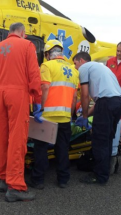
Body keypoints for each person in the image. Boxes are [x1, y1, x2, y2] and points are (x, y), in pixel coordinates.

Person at [0, 22, 42, 202]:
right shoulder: (27, 45)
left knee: (2, 137)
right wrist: (37, 99)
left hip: (0, 94)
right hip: (18, 93)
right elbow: (34, 75)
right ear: (23, 32)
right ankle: (16, 186)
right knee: (17, 139)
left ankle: (3, 178)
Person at [29, 39, 78, 189]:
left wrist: (41, 109)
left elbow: (45, 89)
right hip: (65, 116)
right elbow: (75, 97)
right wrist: (71, 115)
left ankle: (38, 180)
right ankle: (63, 179)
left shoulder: (46, 66)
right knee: (62, 148)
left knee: (41, 148)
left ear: (48, 54)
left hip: (48, 116)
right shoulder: (73, 70)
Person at [73, 52, 121, 185]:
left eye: (75, 63)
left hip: (106, 103)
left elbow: (85, 95)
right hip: (117, 102)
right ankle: (104, 171)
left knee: (99, 141)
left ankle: (99, 176)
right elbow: (100, 101)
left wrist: (84, 116)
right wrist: (87, 114)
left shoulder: (84, 68)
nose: (75, 67)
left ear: (81, 61)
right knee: (107, 139)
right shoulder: (103, 68)